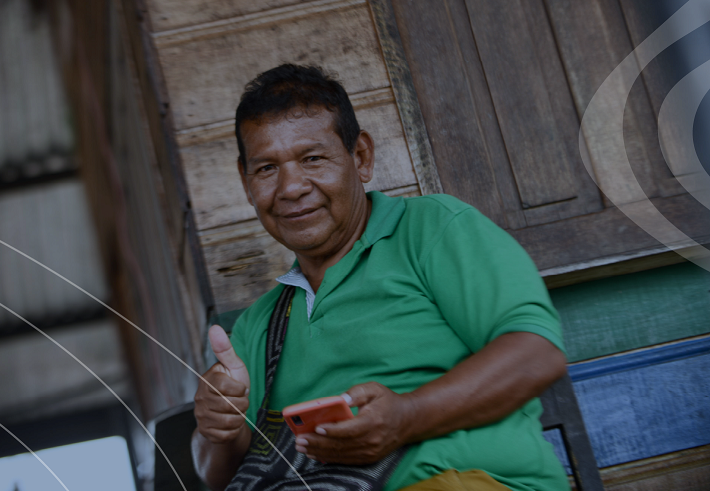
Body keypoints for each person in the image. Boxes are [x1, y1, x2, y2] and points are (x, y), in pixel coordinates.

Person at [191, 64, 570, 491]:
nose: (291, 187)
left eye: (312, 158)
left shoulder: (430, 230)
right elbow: (218, 476)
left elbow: (537, 352)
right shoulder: (259, 325)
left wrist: (407, 417)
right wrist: (215, 426)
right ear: (246, 183)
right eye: (266, 169)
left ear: (361, 157)